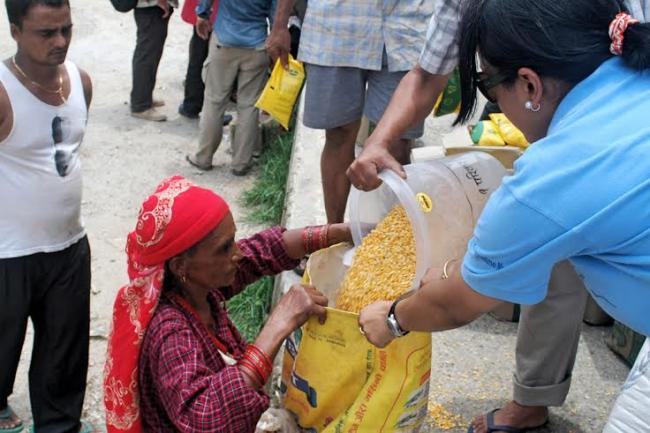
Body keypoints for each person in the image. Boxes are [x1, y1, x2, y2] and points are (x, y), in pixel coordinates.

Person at [347, 1, 649, 432]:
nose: (496, 102)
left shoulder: (548, 179)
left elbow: (459, 302)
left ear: (529, 84)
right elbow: (425, 75)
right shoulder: (630, 75)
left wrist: (393, 318)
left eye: (490, 88)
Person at [104, 176, 352, 433]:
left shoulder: (197, 286)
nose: (238, 253)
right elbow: (208, 419)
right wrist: (279, 323)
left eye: (233, 240)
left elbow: (260, 252)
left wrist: (335, 233)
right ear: (180, 266)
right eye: (224, 248)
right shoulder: (169, 332)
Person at [0, 1, 97, 432]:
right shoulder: (2, 92)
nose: (59, 42)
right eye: (46, 33)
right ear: (16, 31)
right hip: (8, 253)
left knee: (65, 356)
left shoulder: (80, 82)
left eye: (66, 30)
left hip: (69, 247)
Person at [267, 0, 434, 224]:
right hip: (336, 29)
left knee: (399, 142)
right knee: (338, 134)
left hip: (406, 28)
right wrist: (280, 25)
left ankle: (393, 235)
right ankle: (334, 233)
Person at [185, 0, 273, 176]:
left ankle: (203, 158)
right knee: (249, 106)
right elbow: (276, 13)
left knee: (214, 102)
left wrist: (202, 14)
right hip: (257, 46)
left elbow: (205, 4)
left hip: (224, 42)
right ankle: (241, 163)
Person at [177, 0, 232, 126]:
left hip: (205, 8)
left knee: (199, 52)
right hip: (214, 10)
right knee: (212, 59)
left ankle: (191, 105)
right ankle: (211, 112)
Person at [130, 0, 177, 122]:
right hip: (150, 7)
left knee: (150, 53)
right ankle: (140, 106)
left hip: (153, 6)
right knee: (147, 54)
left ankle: (144, 97)